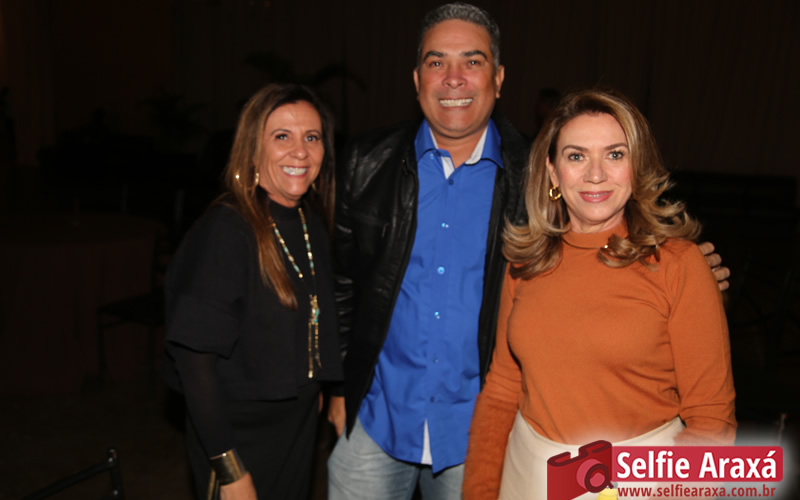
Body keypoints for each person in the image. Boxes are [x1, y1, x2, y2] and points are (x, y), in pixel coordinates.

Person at [327, 4, 729, 499]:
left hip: (481, 431)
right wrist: (340, 386)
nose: (454, 77)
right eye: (436, 61)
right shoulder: (368, 163)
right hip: (382, 417)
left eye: (472, 61)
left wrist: (691, 276)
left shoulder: (528, 174)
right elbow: (343, 280)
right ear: (416, 78)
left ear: (498, 78)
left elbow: (708, 413)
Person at [462, 89, 737, 500]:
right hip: (525, 476)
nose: (595, 174)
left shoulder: (679, 264)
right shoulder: (526, 261)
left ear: (637, 166)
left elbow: (712, 420)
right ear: (553, 172)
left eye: (614, 155)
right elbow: (502, 388)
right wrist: (480, 491)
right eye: (576, 156)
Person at [163, 83, 342, 500]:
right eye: (282, 136)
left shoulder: (309, 221)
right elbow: (194, 360)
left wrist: (327, 386)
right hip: (238, 435)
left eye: (311, 137)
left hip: (296, 425)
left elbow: (317, 314)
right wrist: (230, 470)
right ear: (252, 150)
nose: (300, 152)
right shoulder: (227, 231)